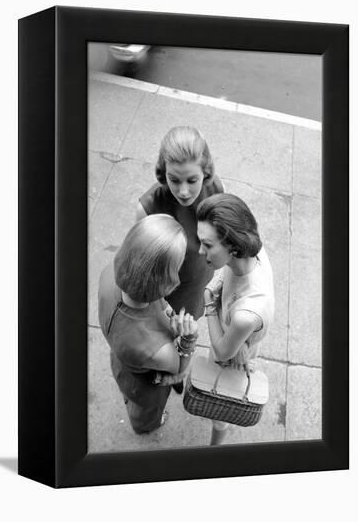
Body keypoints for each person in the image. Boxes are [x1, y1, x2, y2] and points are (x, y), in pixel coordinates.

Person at [98, 214, 198, 435]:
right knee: (145, 411)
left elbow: (152, 297)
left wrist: (164, 309)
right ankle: (147, 425)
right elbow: (178, 367)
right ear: (166, 280)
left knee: (128, 391)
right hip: (144, 385)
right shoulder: (156, 349)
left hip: (121, 360)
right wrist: (189, 339)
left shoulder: (109, 274)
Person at [196, 193, 274, 445]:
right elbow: (225, 273)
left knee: (221, 407)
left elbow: (221, 351)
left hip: (233, 349)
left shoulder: (245, 314)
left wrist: (209, 304)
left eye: (207, 245)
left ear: (233, 247)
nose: (200, 250)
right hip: (239, 340)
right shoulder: (254, 251)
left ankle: (214, 452)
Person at [136, 126, 225, 320]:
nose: (183, 191)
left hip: (199, 288)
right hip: (164, 303)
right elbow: (143, 272)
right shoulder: (148, 209)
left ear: (206, 172)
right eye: (174, 180)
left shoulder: (217, 189)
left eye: (192, 180)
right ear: (163, 172)